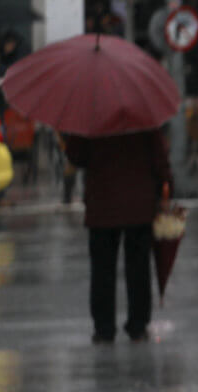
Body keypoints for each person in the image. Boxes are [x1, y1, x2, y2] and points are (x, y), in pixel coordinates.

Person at [62, 129, 173, 343]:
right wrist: (166, 186)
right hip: (139, 204)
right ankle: (138, 325)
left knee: (102, 271)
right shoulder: (143, 115)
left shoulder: (91, 117)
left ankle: (104, 328)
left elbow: (76, 156)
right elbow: (159, 156)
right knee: (138, 268)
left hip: (102, 204)